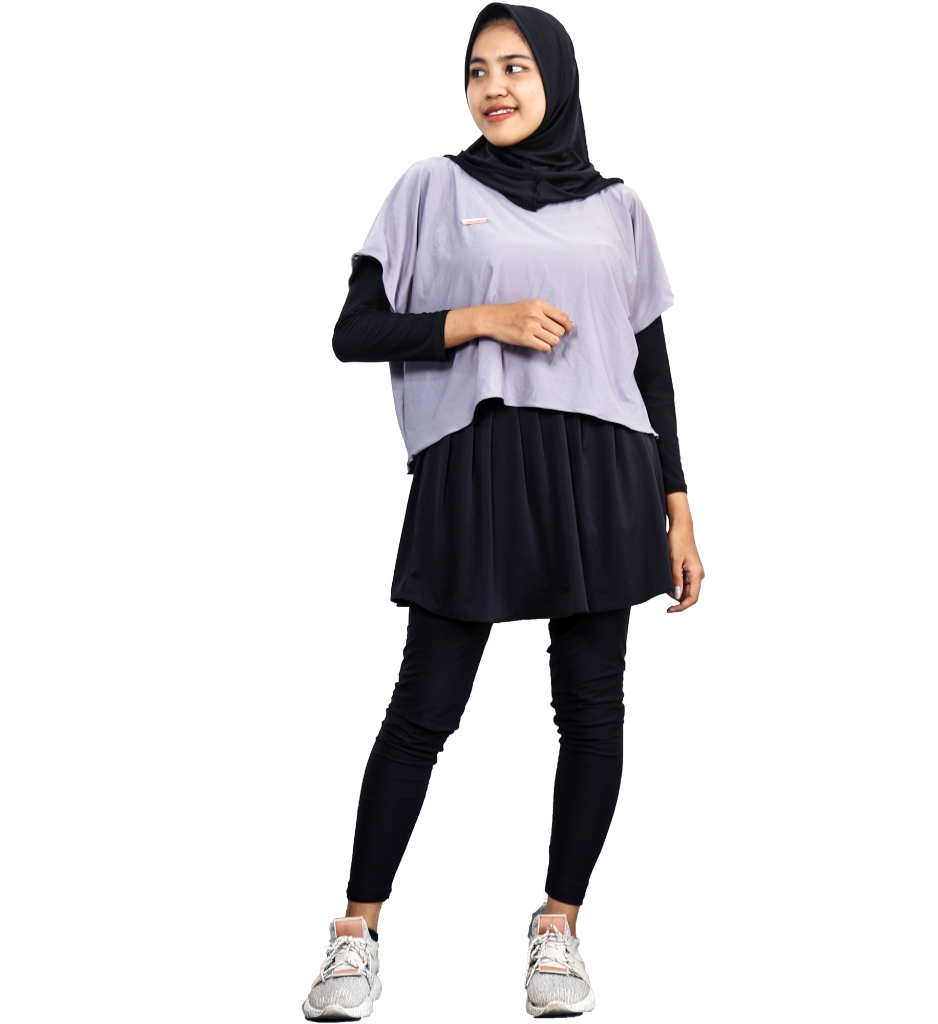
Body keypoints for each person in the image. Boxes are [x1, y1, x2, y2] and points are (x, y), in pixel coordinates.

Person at [302, 4, 704, 1018]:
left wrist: (680, 506)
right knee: (423, 707)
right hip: (477, 461)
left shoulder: (619, 207)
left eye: (516, 67)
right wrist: (483, 320)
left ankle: (558, 927)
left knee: (592, 708)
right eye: (478, 69)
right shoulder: (430, 188)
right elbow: (355, 331)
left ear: (555, 78)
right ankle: (355, 933)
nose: (494, 87)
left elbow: (649, 365)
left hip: (604, 470)